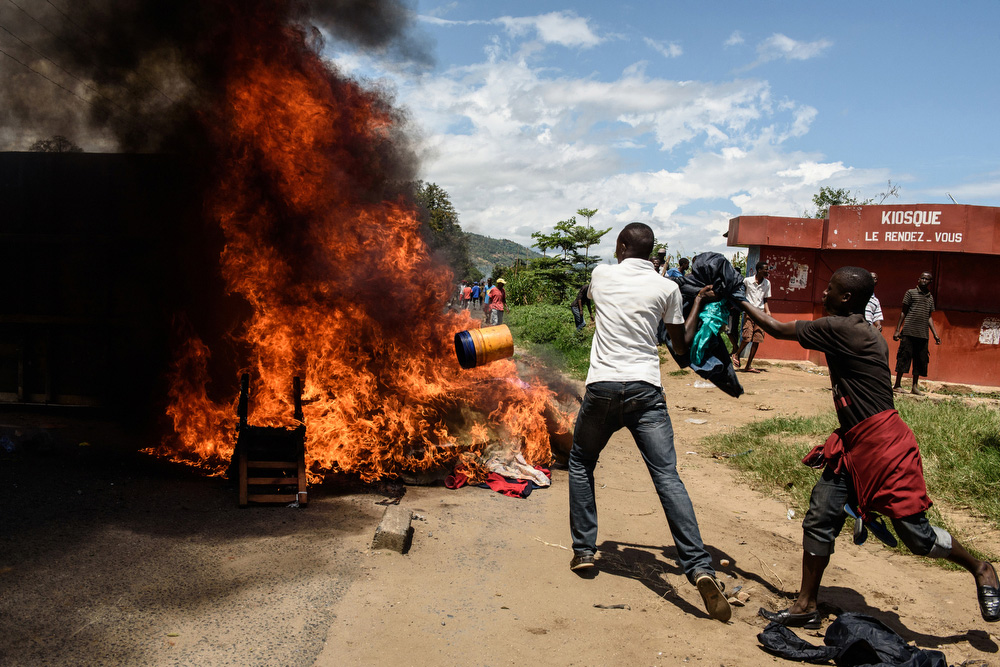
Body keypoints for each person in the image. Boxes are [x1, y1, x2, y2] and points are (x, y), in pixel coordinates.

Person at [738, 266, 998, 628]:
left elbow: (779, 329)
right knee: (821, 514)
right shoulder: (865, 331)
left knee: (916, 536)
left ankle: (981, 568)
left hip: (883, 447)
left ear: (845, 298)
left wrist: (738, 300)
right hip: (854, 445)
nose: (824, 294)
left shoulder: (840, 328)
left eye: (829, 289)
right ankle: (806, 605)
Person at [568, 222, 732, 623]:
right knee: (667, 476)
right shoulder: (667, 289)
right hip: (645, 390)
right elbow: (679, 346)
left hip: (603, 387)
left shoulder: (601, 275)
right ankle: (699, 568)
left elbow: (587, 296)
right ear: (652, 251)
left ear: (622, 246)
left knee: (581, 463)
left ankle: (585, 552)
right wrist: (695, 304)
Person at [892, 271, 940, 395]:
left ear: (930, 282)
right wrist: (898, 330)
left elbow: (929, 317)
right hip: (908, 331)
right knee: (904, 357)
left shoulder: (930, 297)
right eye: (922, 278)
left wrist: (935, 334)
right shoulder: (910, 293)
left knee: (920, 360)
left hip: (923, 334)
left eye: (927, 279)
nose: (924, 280)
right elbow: (904, 312)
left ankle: (914, 387)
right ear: (918, 279)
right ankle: (897, 384)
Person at [732, 261, 771, 372]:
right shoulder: (747, 281)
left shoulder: (767, 283)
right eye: (766, 269)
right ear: (759, 270)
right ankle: (737, 354)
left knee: (757, 339)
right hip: (749, 311)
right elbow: (741, 294)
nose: (767, 271)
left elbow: (765, 299)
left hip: (760, 313)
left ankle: (748, 365)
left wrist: (768, 311)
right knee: (747, 336)